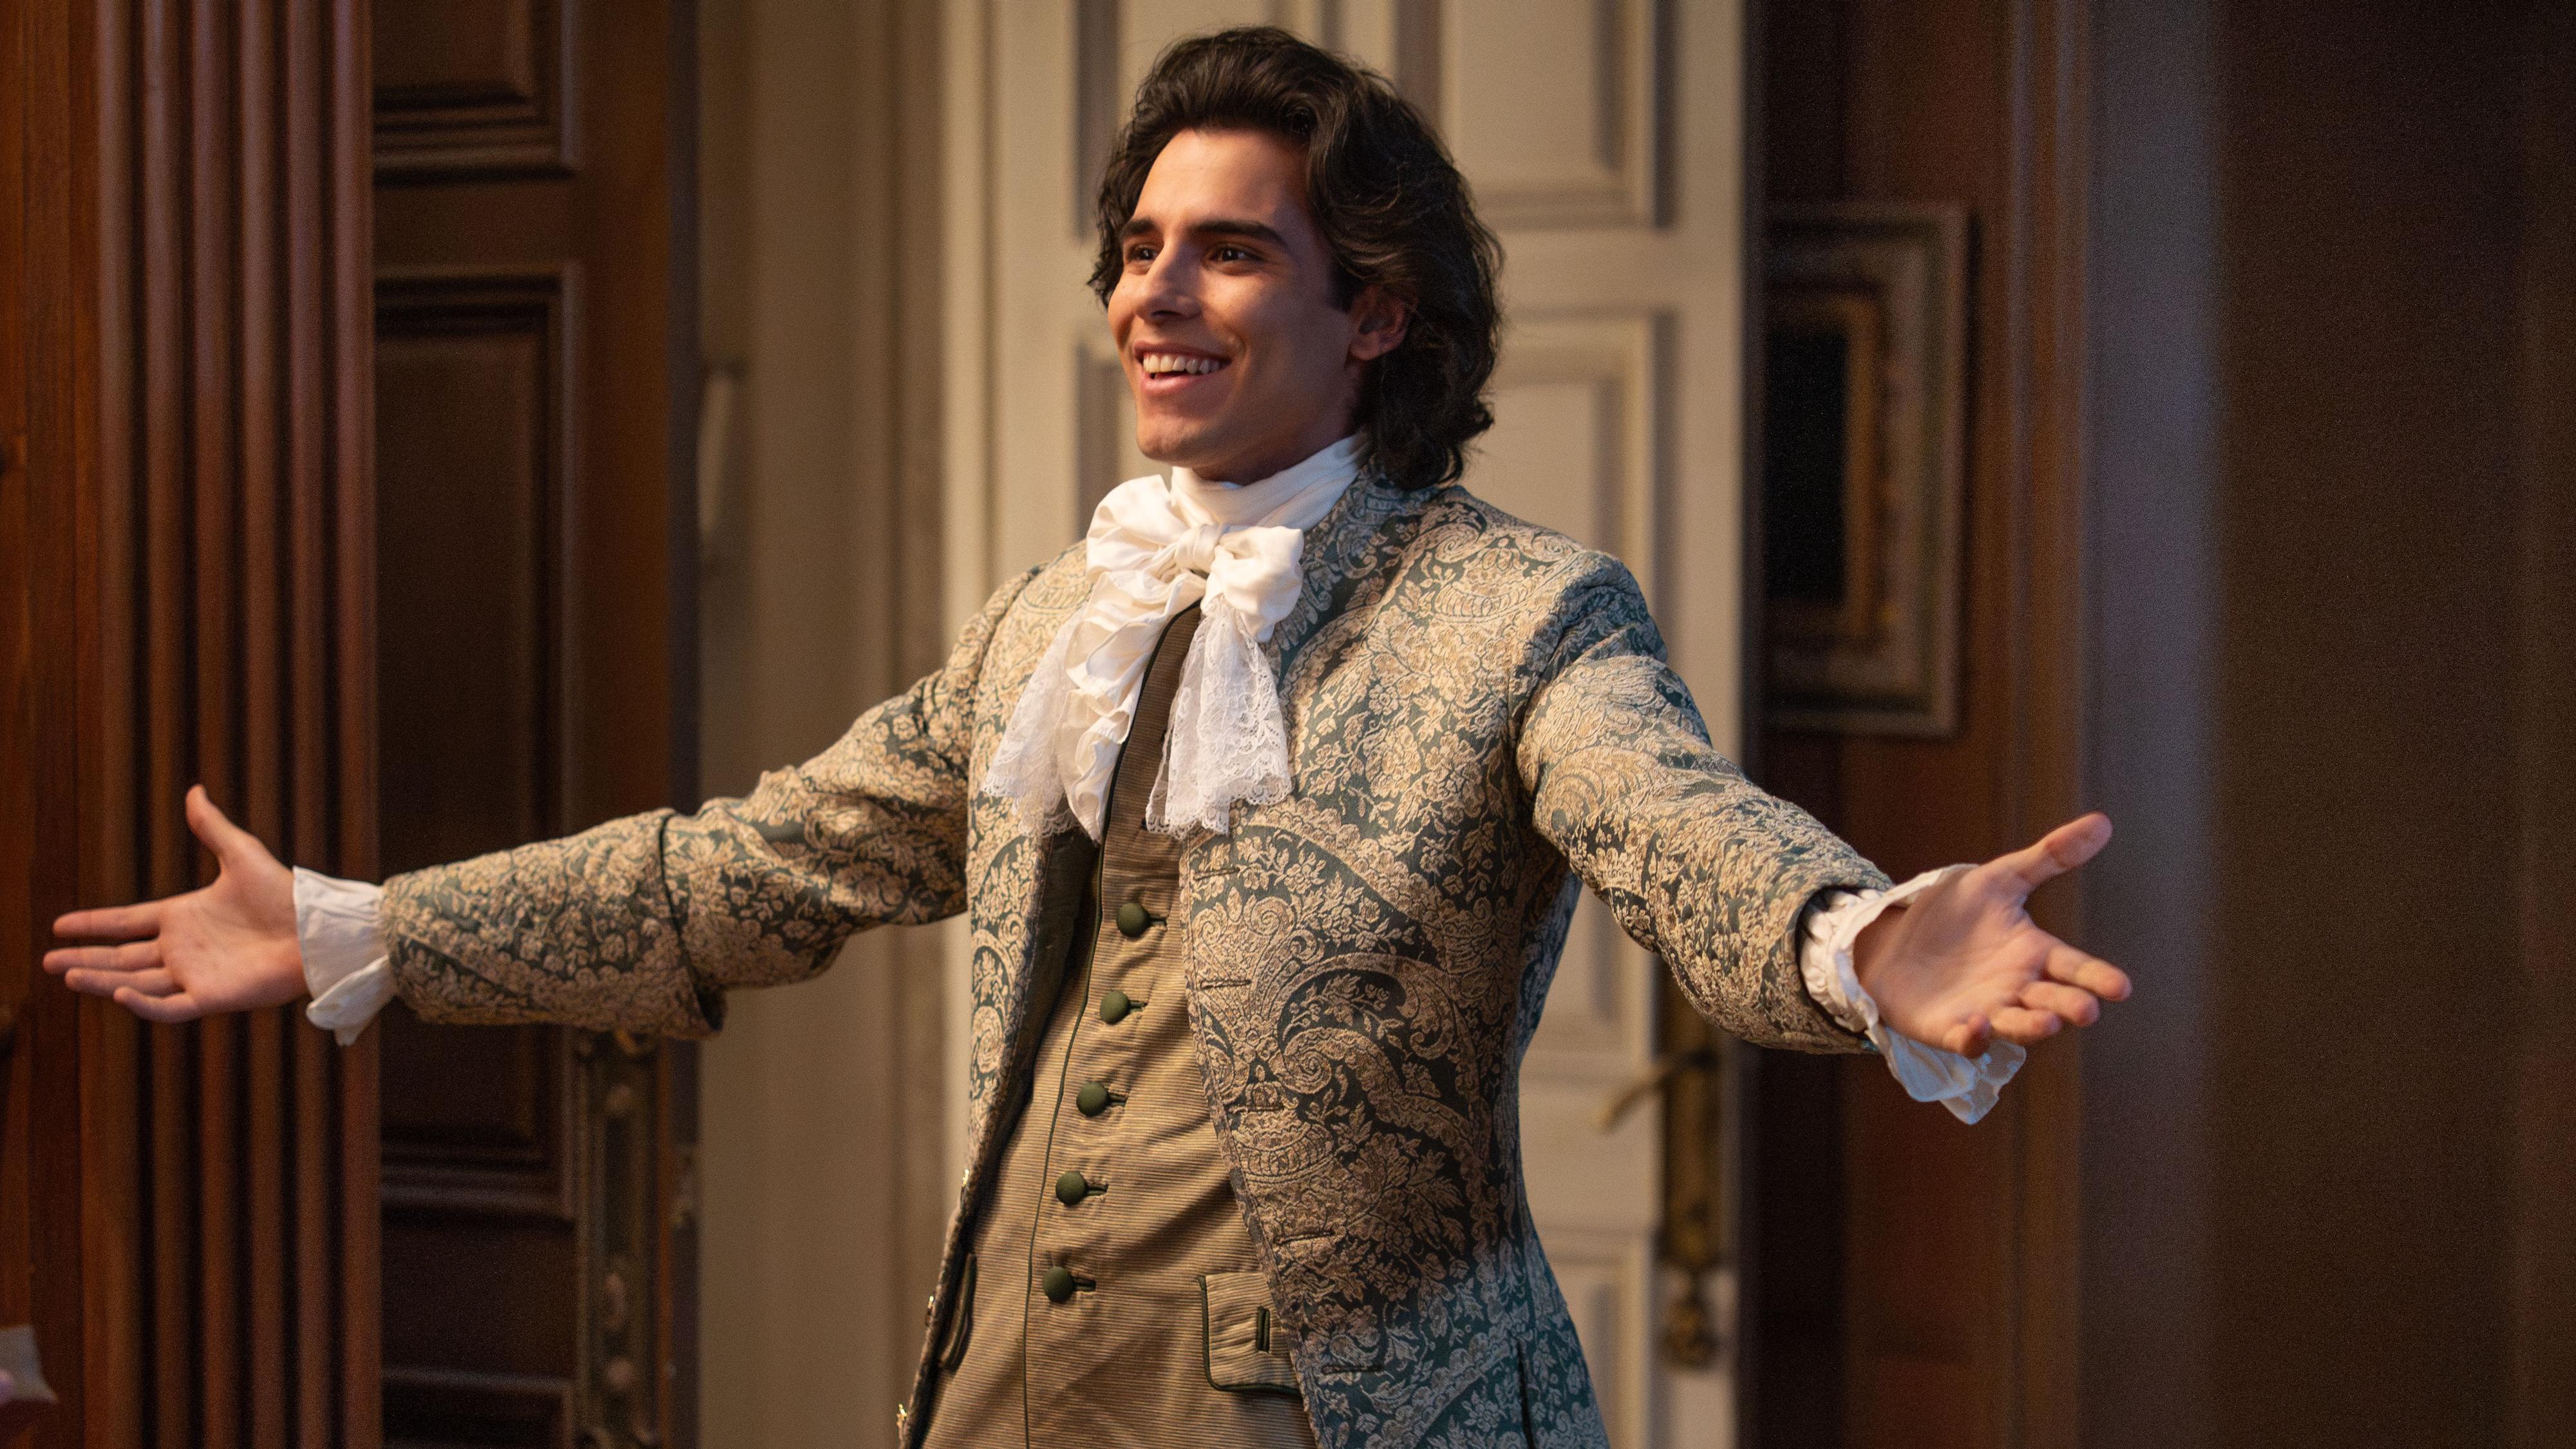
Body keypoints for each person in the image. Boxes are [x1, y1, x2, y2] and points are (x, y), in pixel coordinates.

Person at [45, 28, 2130, 1449]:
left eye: (1230, 250)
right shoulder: (1065, 617)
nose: (1157, 293)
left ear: (1375, 309)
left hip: (1331, 1415)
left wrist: (1861, 938)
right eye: (1139, 249)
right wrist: (359, 929)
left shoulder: (1521, 608)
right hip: (1009, 1390)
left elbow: (1678, 828)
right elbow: (753, 866)